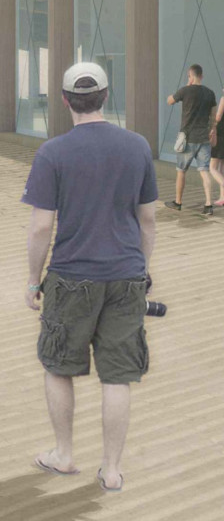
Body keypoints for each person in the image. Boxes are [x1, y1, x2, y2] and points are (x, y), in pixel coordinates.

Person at [22, 62, 158, 494]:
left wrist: (32, 280)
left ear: (65, 101)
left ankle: (64, 455)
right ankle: (112, 470)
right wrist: (142, 269)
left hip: (71, 277)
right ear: (105, 96)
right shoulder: (137, 146)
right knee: (118, 376)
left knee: (59, 367)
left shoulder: (53, 153)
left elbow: (42, 227)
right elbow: (148, 220)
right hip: (126, 276)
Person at [164, 64, 217, 214]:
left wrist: (186, 86)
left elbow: (169, 101)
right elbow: (213, 116)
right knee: (204, 171)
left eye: (188, 76)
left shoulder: (185, 91)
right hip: (204, 139)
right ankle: (208, 205)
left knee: (181, 171)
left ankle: (178, 202)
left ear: (191, 76)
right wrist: (212, 129)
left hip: (187, 138)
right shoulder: (210, 93)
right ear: (202, 76)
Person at [211, 90, 224, 207]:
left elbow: (218, 117)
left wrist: (212, 123)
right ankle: (222, 198)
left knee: (212, 168)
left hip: (221, 137)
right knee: (221, 169)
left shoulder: (223, 98)